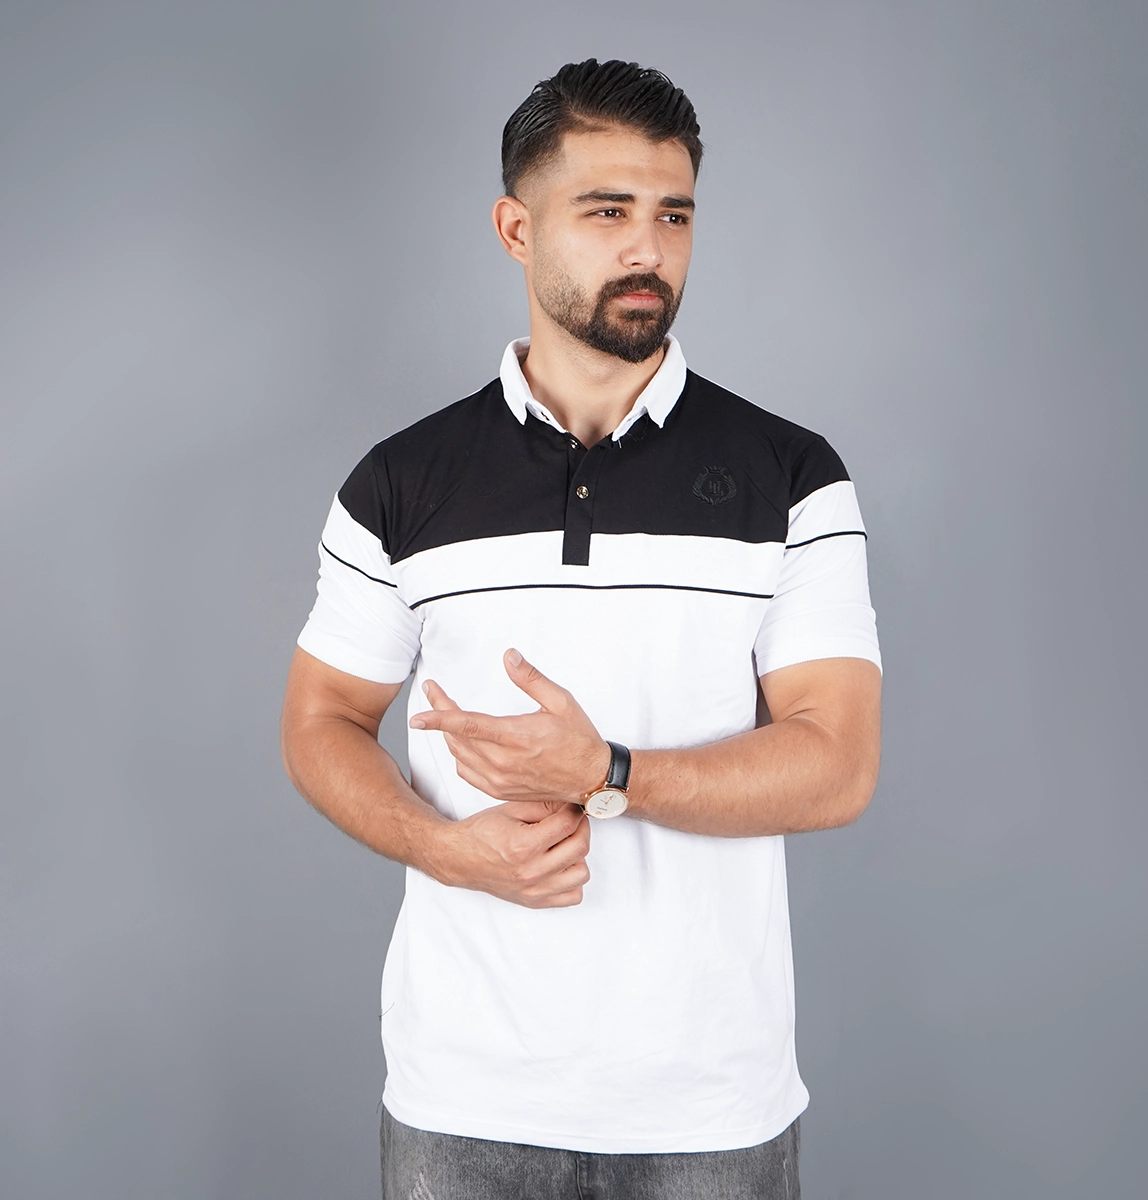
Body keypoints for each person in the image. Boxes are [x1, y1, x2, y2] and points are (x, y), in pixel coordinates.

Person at [281, 57, 881, 1200]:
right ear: (517, 229)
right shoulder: (400, 482)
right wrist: (441, 847)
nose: (648, 248)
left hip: (710, 1107)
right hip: (461, 1099)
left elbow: (839, 763)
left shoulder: (794, 478)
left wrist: (607, 773)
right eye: (607, 212)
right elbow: (321, 720)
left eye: (674, 215)